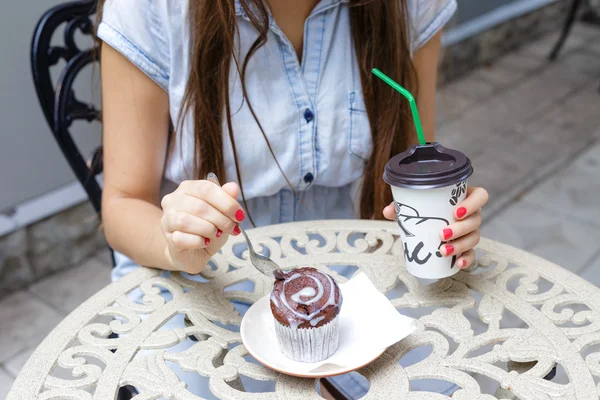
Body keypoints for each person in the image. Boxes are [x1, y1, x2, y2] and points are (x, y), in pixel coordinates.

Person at [97, 0, 489, 397]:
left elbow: (409, 170)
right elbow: (123, 203)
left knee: (441, 383)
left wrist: (441, 219)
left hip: (349, 264)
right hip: (197, 279)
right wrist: (173, 244)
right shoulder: (151, 8)